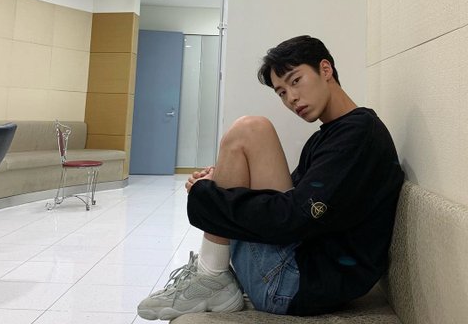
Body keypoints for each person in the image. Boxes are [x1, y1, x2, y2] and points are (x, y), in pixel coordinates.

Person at [137, 35, 405, 320]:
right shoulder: (329, 136)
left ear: (325, 69)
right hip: (302, 278)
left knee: (251, 129)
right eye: (281, 92)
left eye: (295, 80)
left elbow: (296, 215)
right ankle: (211, 273)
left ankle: (211, 274)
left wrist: (210, 196)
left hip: (299, 285)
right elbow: (294, 199)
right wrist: (219, 183)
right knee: (246, 140)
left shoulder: (358, 133)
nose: (291, 98)